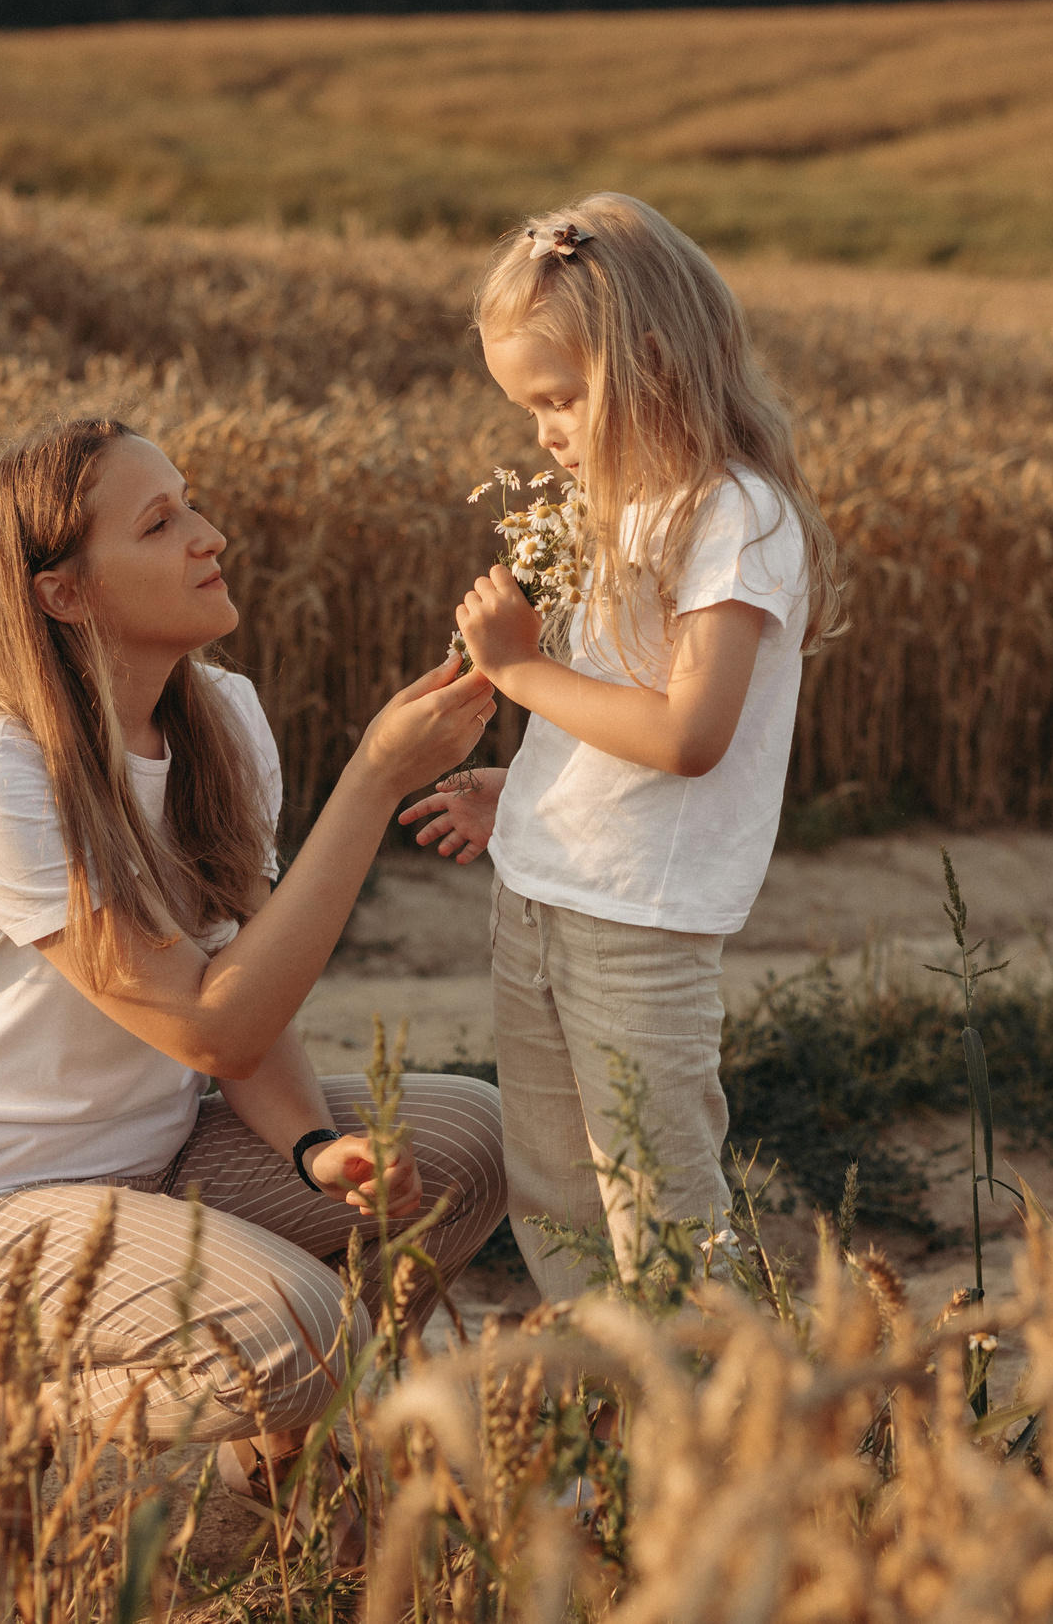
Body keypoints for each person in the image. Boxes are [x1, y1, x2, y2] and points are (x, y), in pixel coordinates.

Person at [0, 416, 507, 1524]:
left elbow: (244, 984)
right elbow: (212, 1031)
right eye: (162, 524)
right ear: (63, 593)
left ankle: (275, 1449)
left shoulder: (226, 722)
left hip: (156, 1160)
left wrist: (309, 1144)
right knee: (306, 1332)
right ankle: (14, 1410)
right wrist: (375, 778)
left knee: (473, 1142)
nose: (211, 537)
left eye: (190, 505)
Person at [399, 194, 843, 1301]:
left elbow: (689, 736)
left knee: (664, 1211)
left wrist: (516, 672)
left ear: (649, 362)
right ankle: (614, 1426)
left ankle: (710, 1431)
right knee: (555, 1192)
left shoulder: (734, 516)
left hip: (638, 923)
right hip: (542, 893)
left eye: (558, 398)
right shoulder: (626, 507)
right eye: (526, 407)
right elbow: (617, 713)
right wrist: (533, 778)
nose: (542, 431)